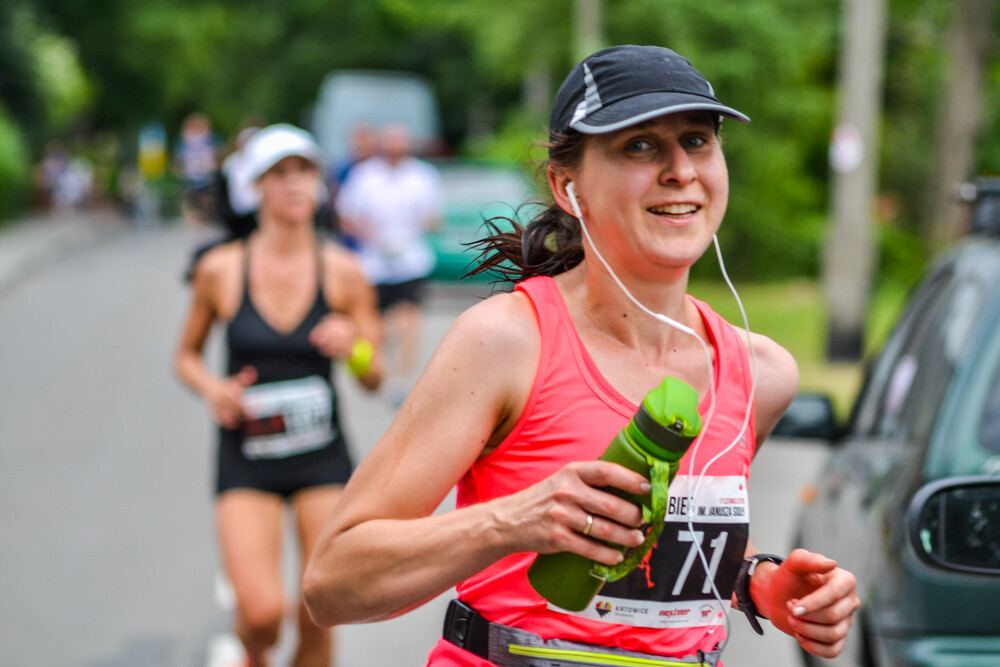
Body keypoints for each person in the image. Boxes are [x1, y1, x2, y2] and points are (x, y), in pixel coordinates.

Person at [302, 45, 858, 667]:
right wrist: (513, 521)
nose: (680, 170)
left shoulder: (761, 371)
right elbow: (333, 582)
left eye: (698, 140)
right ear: (568, 187)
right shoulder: (507, 342)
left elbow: (661, 547)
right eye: (639, 146)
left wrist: (756, 580)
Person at [174, 123, 383, 667]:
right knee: (263, 613)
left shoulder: (343, 270)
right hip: (247, 456)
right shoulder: (220, 270)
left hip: (321, 456)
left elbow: (373, 374)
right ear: (255, 187)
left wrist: (353, 347)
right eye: (280, 174)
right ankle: (253, 656)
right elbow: (185, 356)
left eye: (305, 171)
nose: (295, 185)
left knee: (322, 610)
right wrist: (212, 388)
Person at [334, 124, 442, 405]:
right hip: (374, 262)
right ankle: (377, 369)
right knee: (375, 321)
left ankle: (401, 378)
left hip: (410, 259)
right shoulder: (364, 176)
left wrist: (422, 225)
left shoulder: (423, 176)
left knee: (408, 315)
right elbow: (345, 215)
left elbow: (434, 218)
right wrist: (364, 230)